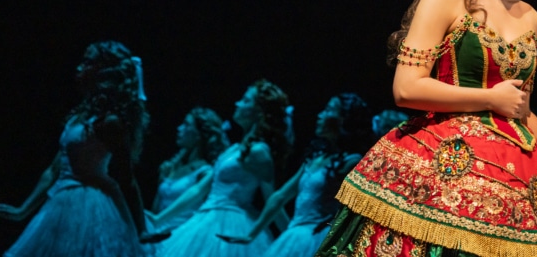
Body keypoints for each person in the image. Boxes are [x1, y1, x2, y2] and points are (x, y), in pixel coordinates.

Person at [314, 0, 537, 256]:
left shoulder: (530, 18)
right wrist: (489, 99)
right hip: (446, 167)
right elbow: (406, 87)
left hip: (512, 177)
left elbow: (519, 111)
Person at [0, 41, 158, 256]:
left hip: (92, 205)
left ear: (104, 71)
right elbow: (54, 170)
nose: (79, 67)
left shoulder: (109, 122)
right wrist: (22, 210)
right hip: (62, 201)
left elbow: (126, 179)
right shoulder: (79, 116)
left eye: (88, 61)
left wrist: (140, 229)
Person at [218, 93, 374, 257]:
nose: (320, 115)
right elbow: (280, 196)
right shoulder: (315, 157)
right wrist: (252, 233)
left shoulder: (352, 163)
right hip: (297, 235)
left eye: (329, 110)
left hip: (320, 237)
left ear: (344, 120)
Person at [149, 79, 292, 257]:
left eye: (245, 100)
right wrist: (159, 219)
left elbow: (273, 200)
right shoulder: (233, 149)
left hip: (233, 221)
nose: (237, 103)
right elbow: (199, 190)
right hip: (206, 217)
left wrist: (293, 235)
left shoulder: (259, 152)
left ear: (259, 112)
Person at [149, 107, 230, 231]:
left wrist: (158, 219)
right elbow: (156, 207)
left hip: (181, 232)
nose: (179, 128)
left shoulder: (206, 172)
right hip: (157, 229)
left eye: (186, 125)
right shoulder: (173, 166)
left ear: (198, 135)